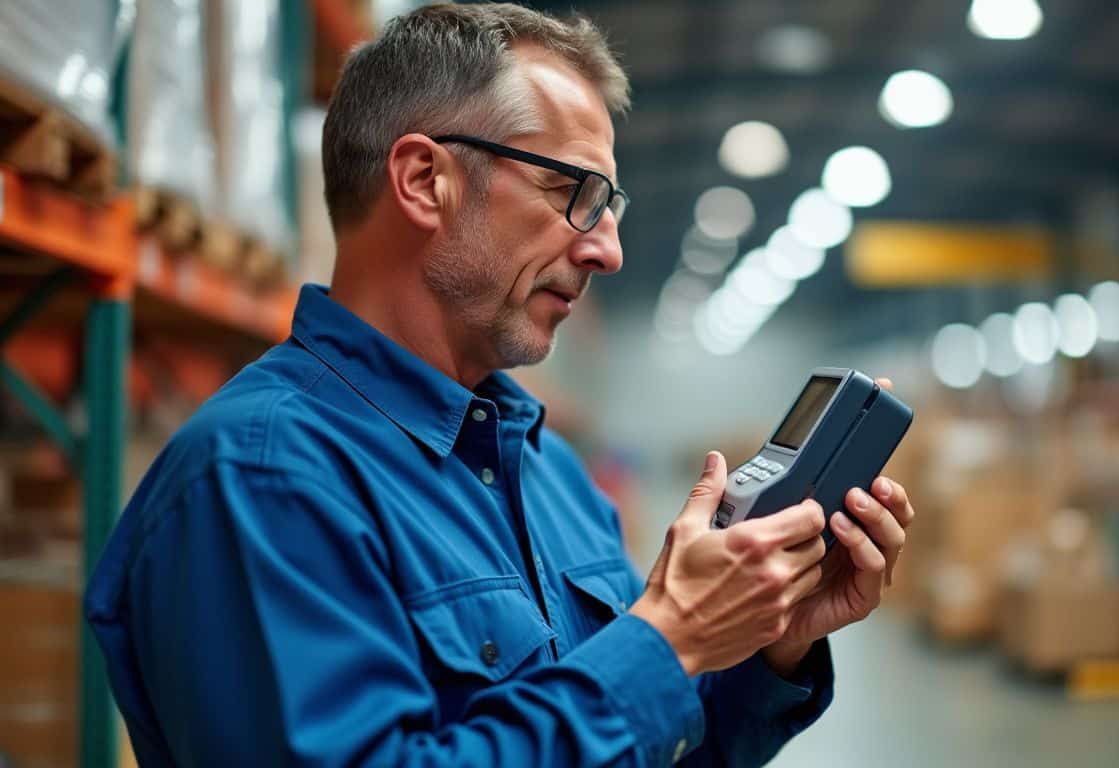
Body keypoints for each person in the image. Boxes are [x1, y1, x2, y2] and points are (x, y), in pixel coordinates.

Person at [85, 4, 914, 766]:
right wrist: (665, 640)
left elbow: (646, 744)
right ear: (423, 180)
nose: (608, 250)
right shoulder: (260, 482)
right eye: (573, 192)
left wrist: (769, 644)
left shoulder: (545, 472)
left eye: (610, 205)